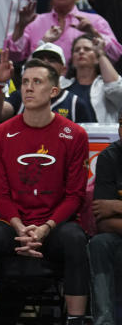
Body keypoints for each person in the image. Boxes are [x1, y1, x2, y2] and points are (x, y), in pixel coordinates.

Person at [0, 60, 90, 325]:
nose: (28, 88)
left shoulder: (74, 134)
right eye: (25, 82)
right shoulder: (1, 133)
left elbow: (75, 195)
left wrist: (45, 228)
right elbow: (0, 194)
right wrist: (20, 228)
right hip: (14, 221)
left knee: (75, 240)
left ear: (54, 91)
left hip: (56, 223)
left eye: (37, 82)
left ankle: (75, 319)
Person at [89, 115, 122, 325]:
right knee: (100, 244)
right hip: (118, 235)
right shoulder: (110, 157)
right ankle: (105, 321)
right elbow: (103, 221)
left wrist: (118, 206)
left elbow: (111, 212)